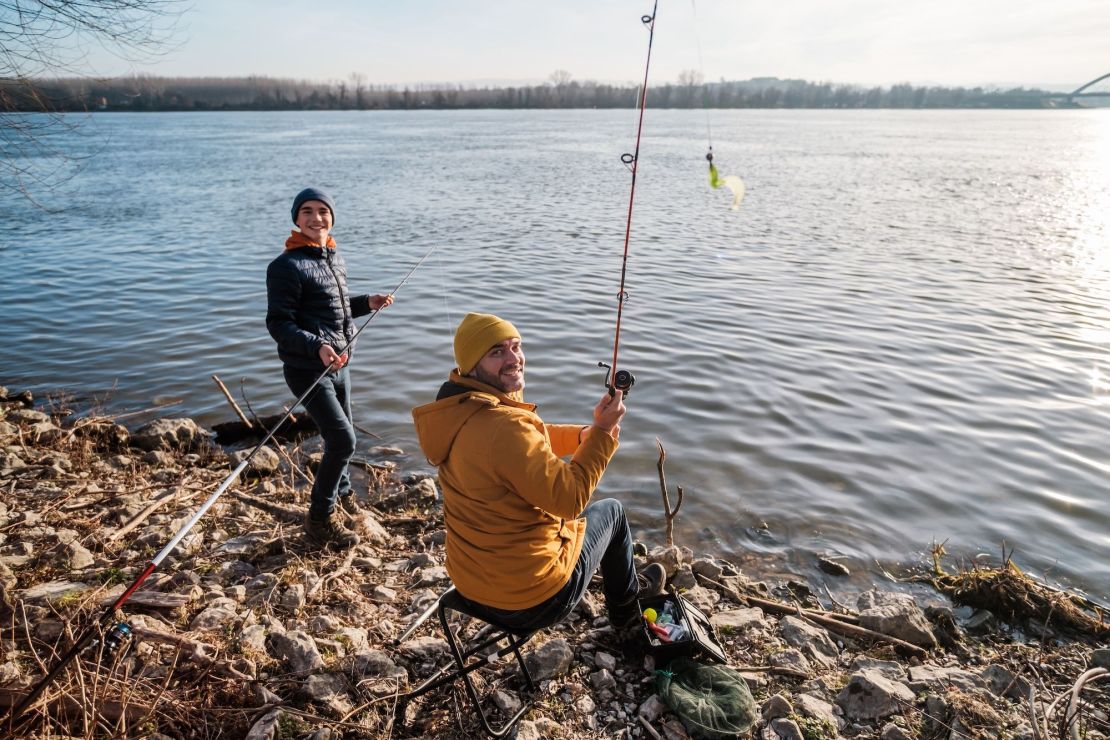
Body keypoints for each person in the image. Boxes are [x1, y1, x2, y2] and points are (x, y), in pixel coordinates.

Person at [411, 312, 665, 638]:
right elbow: (569, 500)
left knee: (579, 515)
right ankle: (629, 619)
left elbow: (527, 442)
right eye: (496, 352)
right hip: (530, 601)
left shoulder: (459, 411)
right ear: (472, 364)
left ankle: (626, 591)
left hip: (471, 582)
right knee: (611, 512)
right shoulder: (505, 427)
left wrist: (582, 436)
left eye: (516, 346)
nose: (514, 358)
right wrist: (602, 433)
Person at [266, 187, 393, 549]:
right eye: (307, 211)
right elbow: (279, 323)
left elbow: (332, 311)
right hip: (308, 369)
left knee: (344, 433)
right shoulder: (284, 267)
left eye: (323, 211)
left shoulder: (333, 257)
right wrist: (317, 346)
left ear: (332, 218)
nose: (315, 218)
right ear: (296, 219)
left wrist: (366, 302)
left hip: (340, 364)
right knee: (343, 440)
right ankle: (320, 519)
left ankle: (345, 494)